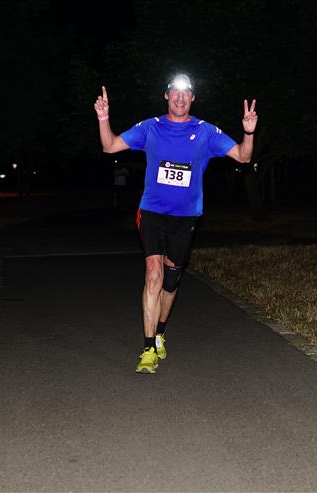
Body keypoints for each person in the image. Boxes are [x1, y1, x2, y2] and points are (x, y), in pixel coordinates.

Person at [94, 73, 258, 374]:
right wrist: (103, 118)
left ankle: (160, 332)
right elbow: (110, 146)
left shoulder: (205, 131)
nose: (180, 98)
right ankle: (148, 349)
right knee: (153, 275)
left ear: (192, 98)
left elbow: (244, 157)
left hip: (186, 218)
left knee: (171, 281)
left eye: (186, 93)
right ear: (166, 95)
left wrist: (248, 132)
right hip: (152, 213)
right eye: (175, 92)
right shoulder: (150, 127)